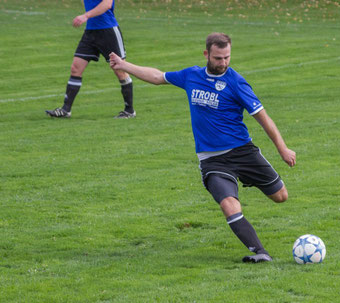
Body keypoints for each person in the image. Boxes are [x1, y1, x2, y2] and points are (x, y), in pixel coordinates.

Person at [109, 33, 296, 263]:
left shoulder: (236, 82)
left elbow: (263, 118)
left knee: (281, 196)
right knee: (229, 205)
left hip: (242, 152)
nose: (223, 62)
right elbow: (158, 76)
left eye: (227, 57)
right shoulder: (191, 76)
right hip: (212, 160)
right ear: (206, 54)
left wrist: (283, 149)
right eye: (218, 58)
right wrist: (123, 64)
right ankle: (260, 252)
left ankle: (248, 180)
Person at [46, 0, 135, 118]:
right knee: (75, 68)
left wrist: (85, 16)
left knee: (120, 70)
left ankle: (129, 111)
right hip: (90, 32)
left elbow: (107, 4)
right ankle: (65, 110)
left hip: (108, 31)